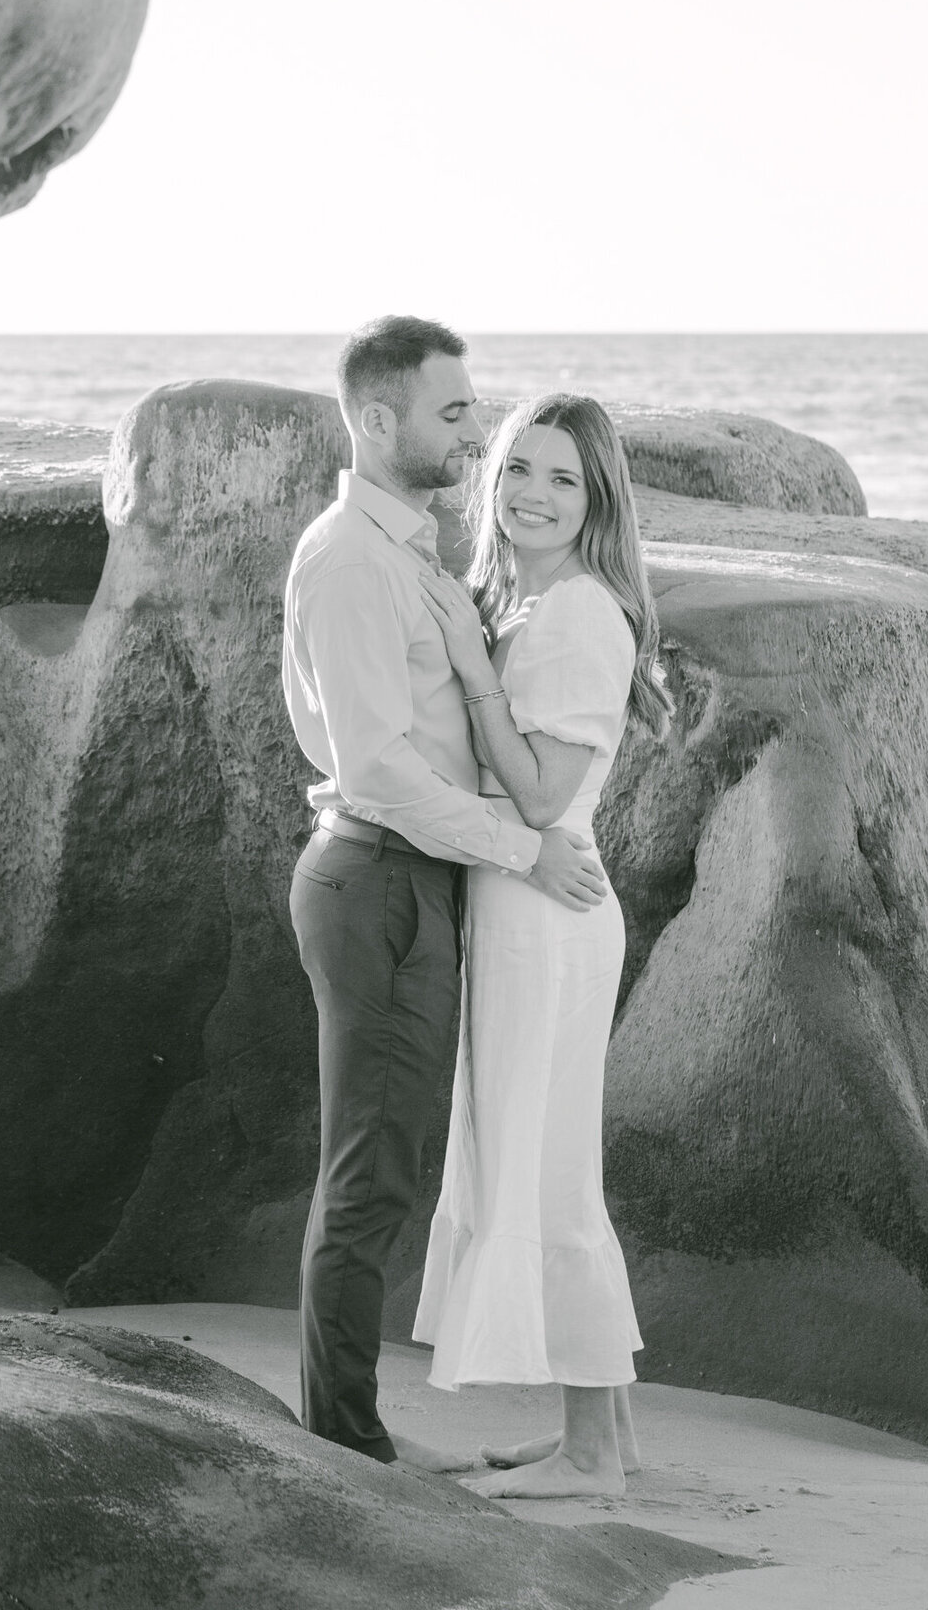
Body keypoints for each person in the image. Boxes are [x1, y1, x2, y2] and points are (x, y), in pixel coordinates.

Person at [282, 319, 611, 1471]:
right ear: (379, 422)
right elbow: (378, 768)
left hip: (410, 879)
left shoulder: (412, 552)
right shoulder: (353, 560)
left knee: (390, 1159)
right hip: (377, 874)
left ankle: (344, 1425)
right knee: (373, 1167)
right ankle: (345, 1442)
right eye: (456, 411)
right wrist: (523, 853)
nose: (478, 429)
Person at [412, 391, 674, 1499]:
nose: (532, 493)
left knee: (547, 1173)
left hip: (547, 907)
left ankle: (588, 1457)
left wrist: (473, 677)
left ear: (597, 499)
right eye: (519, 466)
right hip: (529, 902)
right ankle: (602, 1440)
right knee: (559, 1167)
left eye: (563, 478)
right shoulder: (520, 600)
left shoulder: (574, 614)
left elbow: (544, 796)